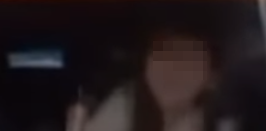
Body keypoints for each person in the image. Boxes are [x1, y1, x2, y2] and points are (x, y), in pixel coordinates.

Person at [68, 31, 234, 131]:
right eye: (163, 54)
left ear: (212, 78)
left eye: (188, 60)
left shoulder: (222, 121)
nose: (171, 69)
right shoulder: (125, 105)